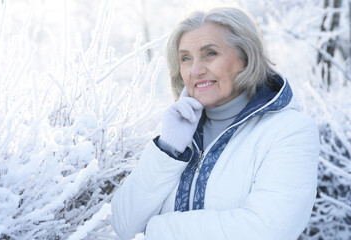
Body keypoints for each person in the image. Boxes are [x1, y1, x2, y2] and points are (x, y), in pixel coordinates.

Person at [110, 6, 320, 240]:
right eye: (186, 58)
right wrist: (168, 148)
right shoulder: (179, 134)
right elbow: (124, 224)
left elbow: (265, 230)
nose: (196, 70)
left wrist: (156, 230)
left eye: (210, 53)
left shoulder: (289, 130)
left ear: (246, 57)